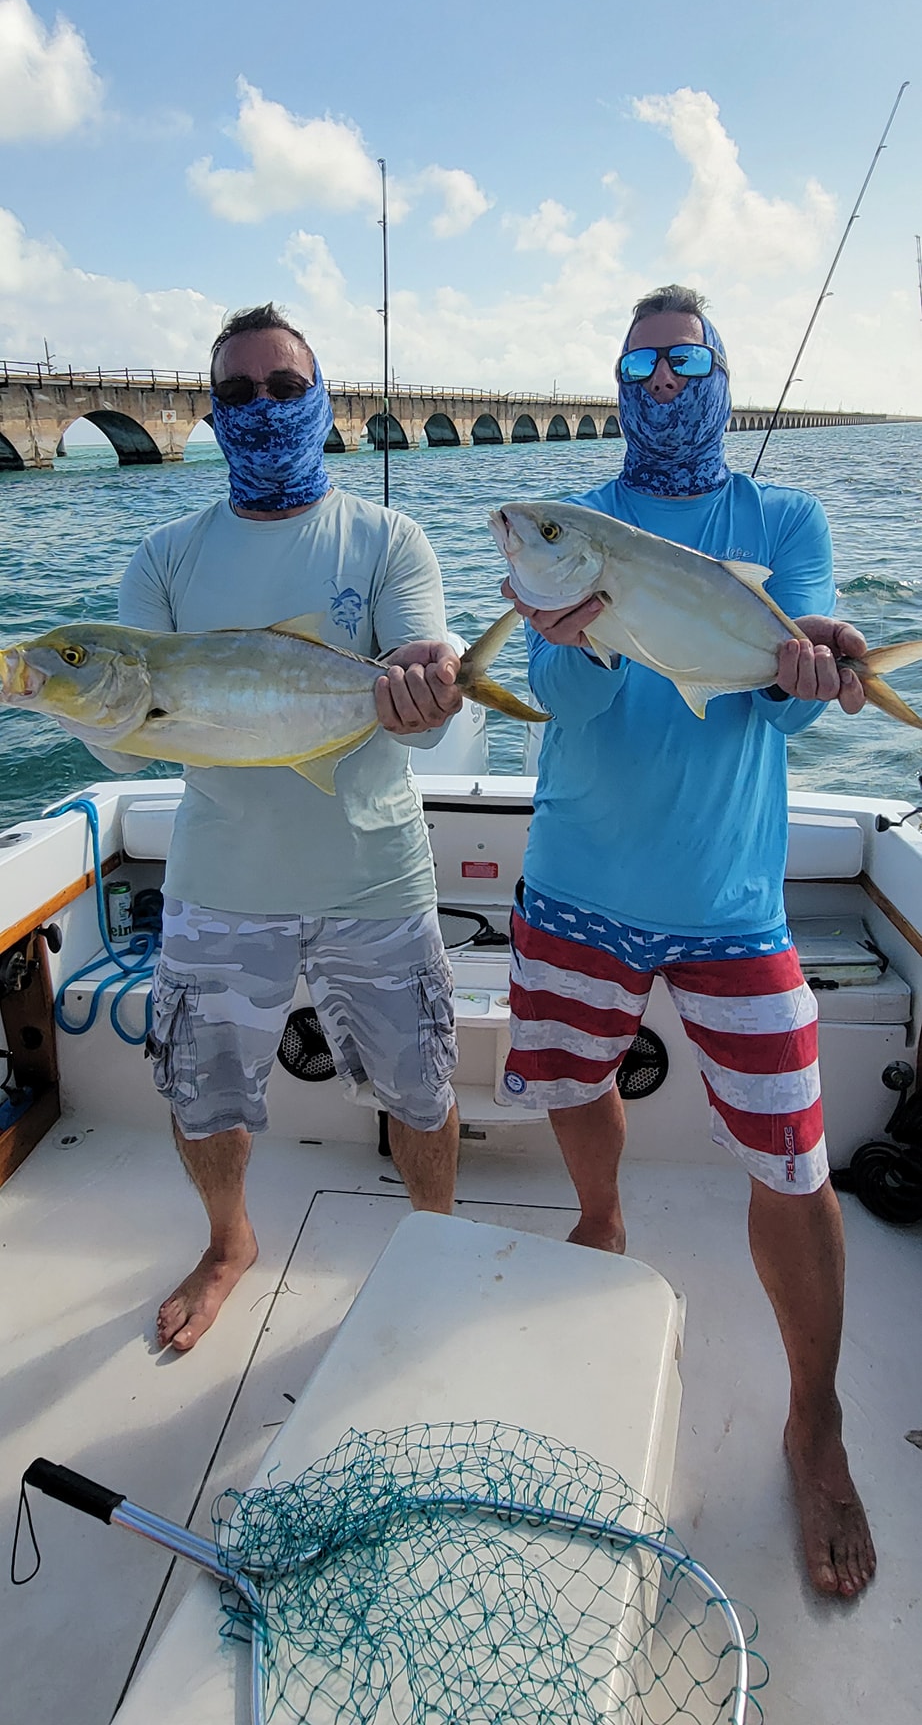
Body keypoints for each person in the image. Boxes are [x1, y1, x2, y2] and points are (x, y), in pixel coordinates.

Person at [499, 284, 876, 1601]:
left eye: (683, 360)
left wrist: (809, 671)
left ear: (719, 372)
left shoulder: (781, 523)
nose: (660, 382)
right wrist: (576, 644)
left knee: (792, 1158)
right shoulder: (572, 531)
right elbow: (556, 703)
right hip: (577, 884)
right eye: (638, 361)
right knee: (574, 1082)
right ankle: (598, 1225)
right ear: (613, 377)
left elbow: (779, 705)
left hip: (730, 903)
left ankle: (814, 1422)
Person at [119, 303, 464, 1354]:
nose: (261, 405)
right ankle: (229, 1240)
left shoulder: (387, 536)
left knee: (423, 1086)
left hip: (375, 875)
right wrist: (67, 702)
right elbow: (135, 741)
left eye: (283, 386)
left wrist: (431, 691)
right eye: (236, 392)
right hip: (221, 879)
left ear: (323, 396)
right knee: (201, 1094)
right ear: (210, 414)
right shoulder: (164, 557)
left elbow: (419, 657)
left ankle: (433, 1243)